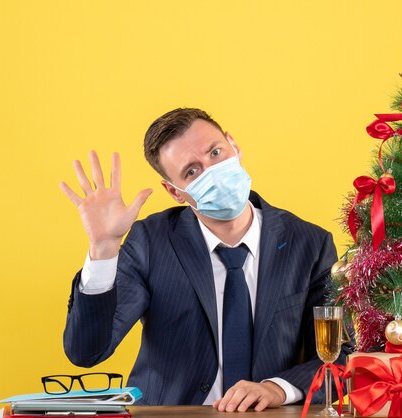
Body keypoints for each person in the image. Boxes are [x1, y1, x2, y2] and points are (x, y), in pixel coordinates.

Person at [60, 108, 347, 412]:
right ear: (175, 191)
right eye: (192, 172)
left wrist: (278, 389)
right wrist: (103, 249)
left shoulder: (310, 244)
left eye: (215, 152)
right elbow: (87, 351)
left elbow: (341, 356)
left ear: (234, 146)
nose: (212, 170)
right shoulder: (150, 242)